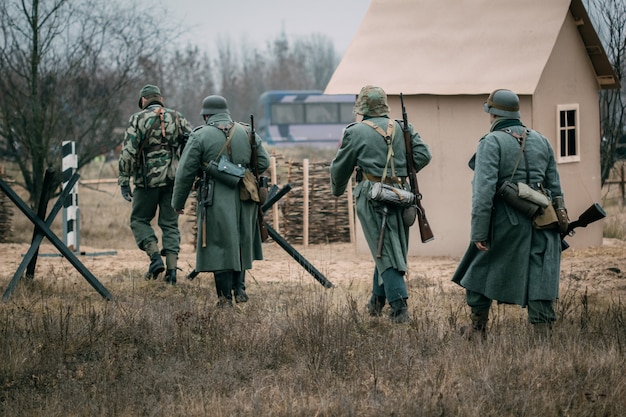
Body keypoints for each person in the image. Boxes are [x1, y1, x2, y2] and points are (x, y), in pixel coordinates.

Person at [452, 89, 567, 339]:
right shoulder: (542, 140)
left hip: (504, 222)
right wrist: (560, 226)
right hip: (542, 220)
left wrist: (479, 232)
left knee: (478, 270)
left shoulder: (490, 142)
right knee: (541, 276)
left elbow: (483, 192)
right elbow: (556, 190)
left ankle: (477, 328)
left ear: (493, 114)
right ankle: (542, 336)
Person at [330, 85, 432, 323]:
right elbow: (424, 155)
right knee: (387, 248)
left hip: (372, 194)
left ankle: (399, 309)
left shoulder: (355, 132)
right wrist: (403, 173)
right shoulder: (402, 127)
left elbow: (340, 166)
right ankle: (376, 304)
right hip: (401, 194)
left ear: (362, 108)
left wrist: (337, 189)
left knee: (385, 250)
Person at [172, 95, 270, 306]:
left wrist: (178, 202)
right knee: (241, 240)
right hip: (246, 194)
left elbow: (185, 172)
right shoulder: (247, 131)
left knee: (219, 245)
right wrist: (242, 170)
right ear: (226, 111)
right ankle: (240, 289)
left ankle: (224, 299)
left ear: (206, 115)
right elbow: (263, 161)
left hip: (215, 196)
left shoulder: (200, 135)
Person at [118, 84, 192, 285]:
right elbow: (193, 144)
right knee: (170, 224)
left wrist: (124, 181)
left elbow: (128, 153)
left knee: (139, 220)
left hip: (146, 182)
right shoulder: (178, 117)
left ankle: (154, 258)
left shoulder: (138, 119)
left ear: (143, 100)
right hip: (173, 181)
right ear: (160, 99)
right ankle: (172, 271)